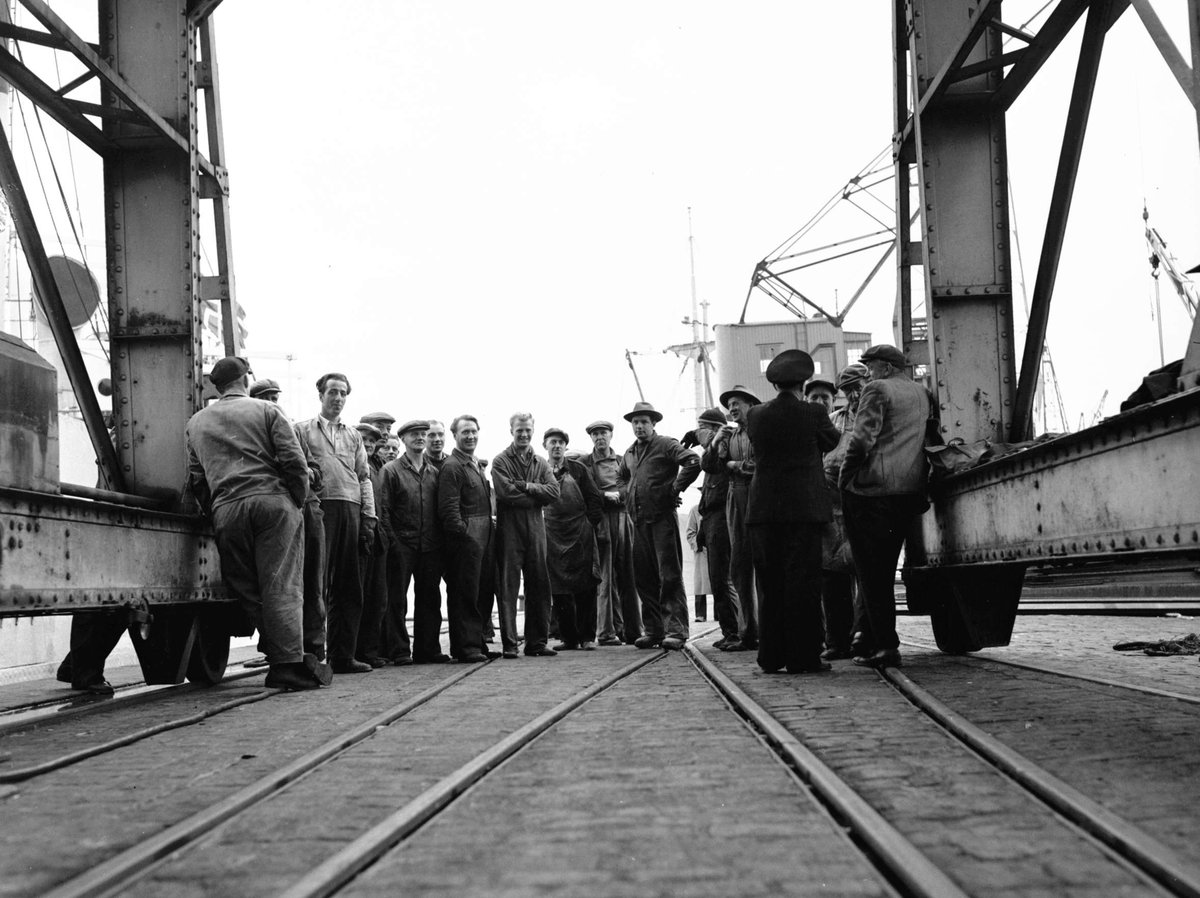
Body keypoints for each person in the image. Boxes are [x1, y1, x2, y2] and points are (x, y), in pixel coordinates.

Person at [185, 357, 327, 690]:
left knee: (245, 586)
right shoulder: (267, 412)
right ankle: (288, 664)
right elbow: (293, 460)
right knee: (281, 585)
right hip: (272, 503)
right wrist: (295, 499)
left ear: (216, 386)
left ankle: (284, 652)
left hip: (227, 509)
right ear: (246, 378)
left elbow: (197, 479)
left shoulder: (196, 422)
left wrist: (218, 508)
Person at [745, 349, 840, 674]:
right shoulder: (813, 412)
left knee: (769, 584)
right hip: (803, 510)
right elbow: (833, 440)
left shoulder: (755, 414)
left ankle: (771, 657)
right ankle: (803, 658)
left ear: (774, 385)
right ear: (803, 382)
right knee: (803, 584)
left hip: (763, 510)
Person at [840, 344, 934, 669]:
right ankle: (865, 638)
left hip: (872, 492)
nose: (867, 372)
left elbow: (862, 439)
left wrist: (845, 476)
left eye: (870, 366)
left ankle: (885, 646)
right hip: (908, 493)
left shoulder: (877, 389)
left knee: (873, 574)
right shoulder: (922, 393)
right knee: (884, 567)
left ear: (885, 367)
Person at [294, 373, 378, 675]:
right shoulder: (302, 430)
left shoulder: (354, 436)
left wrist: (369, 516)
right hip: (319, 508)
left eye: (343, 393)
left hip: (352, 509)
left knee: (349, 585)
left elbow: (363, 477)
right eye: (332, 392)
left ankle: (343, 656)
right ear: (321, 395)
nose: (338, 398)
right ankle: (312, 655)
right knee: (315, 582)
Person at [251, 377, 328, 666]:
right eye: (265, 397)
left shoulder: (292, 431)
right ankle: (278, 648)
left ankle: (314, 648)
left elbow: (317, 469)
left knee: (312, 580)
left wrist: (307, 472)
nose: (272, 402)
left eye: (274, 397)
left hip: (306, 508)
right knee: (277, 583)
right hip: (279, 512)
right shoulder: (253, 435)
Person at [616, 401, 701, 650]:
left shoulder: (665, 444)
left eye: (644, 422)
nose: (639, 426)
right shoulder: (630, 453)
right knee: (644, 576)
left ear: (653, 424)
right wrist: (627, 492)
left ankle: (676, 630)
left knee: (669, 575)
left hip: (662, 519)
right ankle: (654, 630)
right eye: (635, 422)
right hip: (638, 521)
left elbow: (693, 461)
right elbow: (620, 477)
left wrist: (674, 489)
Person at [379, 420, 450, 664]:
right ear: (403, 440)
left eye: (423, 434)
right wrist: (393, 541)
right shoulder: (391, 470)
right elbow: (384, 509)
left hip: (429, 545)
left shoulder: (434, 473)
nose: (420, 438)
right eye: (414, 435)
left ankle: (427, 649)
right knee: (397, 600)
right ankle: (398, 651)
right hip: (402, 544)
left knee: (430, 598)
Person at [492, 413, 560, 658]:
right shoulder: (500, 461)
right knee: (508, 586)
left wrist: (527, 486)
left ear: (533, 430)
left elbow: (554, 491)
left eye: (528, 430)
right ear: (511, 430)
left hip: (536, 530)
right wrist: (535, 497)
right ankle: (510, 644)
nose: (523, 434)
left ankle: (536, 643)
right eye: (519, 429)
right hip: (509, 530)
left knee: (540, 585)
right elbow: (505, 492)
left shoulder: (541, 462)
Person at [820, 363, 869, 660]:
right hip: (831, 504)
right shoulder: (834, 420)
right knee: (831, 573)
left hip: (862, 499)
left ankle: (862, 637)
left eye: (856, 386)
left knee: (866, 573)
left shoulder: (876, 415)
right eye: (847, 389)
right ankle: (836, 641)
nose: (853, 394)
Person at [578, 420, 642, 646]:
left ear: (611, 435)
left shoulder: (621, 460)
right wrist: (605, 496)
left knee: (629, 575)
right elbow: (585, 491)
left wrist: (622, 494)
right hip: (602, 521)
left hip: (625, 519)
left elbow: (631, 483)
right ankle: (605, 632)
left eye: (603, 433)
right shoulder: (586, 464)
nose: (599, 437)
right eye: (595, 434)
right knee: (604, 578)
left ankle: (633, 631)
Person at [542, 428, 604, 650]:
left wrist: (589, 525)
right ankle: (568, 638)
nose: (557, 446)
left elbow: (594, 499)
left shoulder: (578, 469)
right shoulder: (541, 469)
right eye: (553, 442)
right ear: (545, 446)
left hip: (580, 535)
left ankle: (587, 637)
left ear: (565, 447)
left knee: (586, 586)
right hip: (552, 535)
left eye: (561, 442)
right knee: (559, 589)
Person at [436, 415, 491, 663]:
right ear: (455, 436)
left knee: (479, 594)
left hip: (481, 540)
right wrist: (465, 537)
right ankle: (465, 648)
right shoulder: (452, 467)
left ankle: (477, 643)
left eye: (473, 431)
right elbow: (449, 511)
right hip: (465, 543)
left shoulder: (473, 464)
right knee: (464, 594)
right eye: (465, 432)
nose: (470, 436)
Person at [715, 384, 763, 652]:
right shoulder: (731, 436)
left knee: (762, 564)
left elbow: (763, 464)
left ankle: (764, 630)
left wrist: (735, 466)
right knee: (739, 565)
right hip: (736, 498)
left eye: (737, 404)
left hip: (758, 497)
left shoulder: (759, 432)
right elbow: (714, 465)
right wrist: (715, 442)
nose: (732, 409)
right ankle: (748, 632)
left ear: (750, 406)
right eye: (729, 405)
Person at [694, 407, 741, 645]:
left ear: (713, 430)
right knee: (719, 579)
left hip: (722, 518)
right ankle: (729, 631)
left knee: (723, 578)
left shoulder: (723, 449)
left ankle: (733, 632)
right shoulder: (711, 453)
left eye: (701, 427)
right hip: (712, 519)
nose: (697, 432)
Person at [354, 421, 390, 667]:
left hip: (376, 536)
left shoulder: (378, 467)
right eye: (364, 439)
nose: (368, 444)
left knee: (377, 598)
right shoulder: (352, 463)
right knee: (357, 596)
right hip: (357, 535)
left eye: (372, 441)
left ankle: (368, 651)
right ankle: (354, 652)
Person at [684, 504, 710, 621]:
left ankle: (720, 614)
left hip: (716, 548)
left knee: (721, 583)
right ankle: (700, 614)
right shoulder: (695, 510)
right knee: (700, 583)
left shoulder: (717, 506)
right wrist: (697, 545)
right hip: (702, 551)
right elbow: (690, 532)